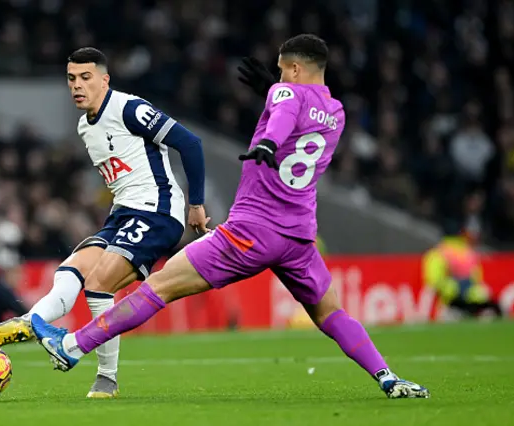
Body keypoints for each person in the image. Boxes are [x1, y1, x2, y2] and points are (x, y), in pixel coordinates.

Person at [31, 34, 429, 399]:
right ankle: (388, 377)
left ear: (292, 69)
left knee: (161, 286)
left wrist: (269, 140)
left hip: (251, 230)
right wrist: (272, 94)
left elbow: (285, 116)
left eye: (280, 69)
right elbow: (297, 111)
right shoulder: (336, 112)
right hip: (299, 238)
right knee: (331, 314)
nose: (277, 76)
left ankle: (71, 345)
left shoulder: (286, 95)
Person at [0, 47, 208, 398]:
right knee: (71, 269)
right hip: (123, 213)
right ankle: (32, 322)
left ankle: (105, 378)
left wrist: (196, 204)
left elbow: (190, 143)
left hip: (158, 212)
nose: (77, 86)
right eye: (71, 79)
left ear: (105, 79)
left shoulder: (129, 108)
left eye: (85, 78)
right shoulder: (86, 126)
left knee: (100, 283)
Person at [423, 220, 503, 319]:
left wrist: (449, 287)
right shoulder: (468, 251)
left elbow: (433, 280)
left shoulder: (437, 253)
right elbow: (477, 275)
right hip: (472, 295)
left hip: (451, 298)